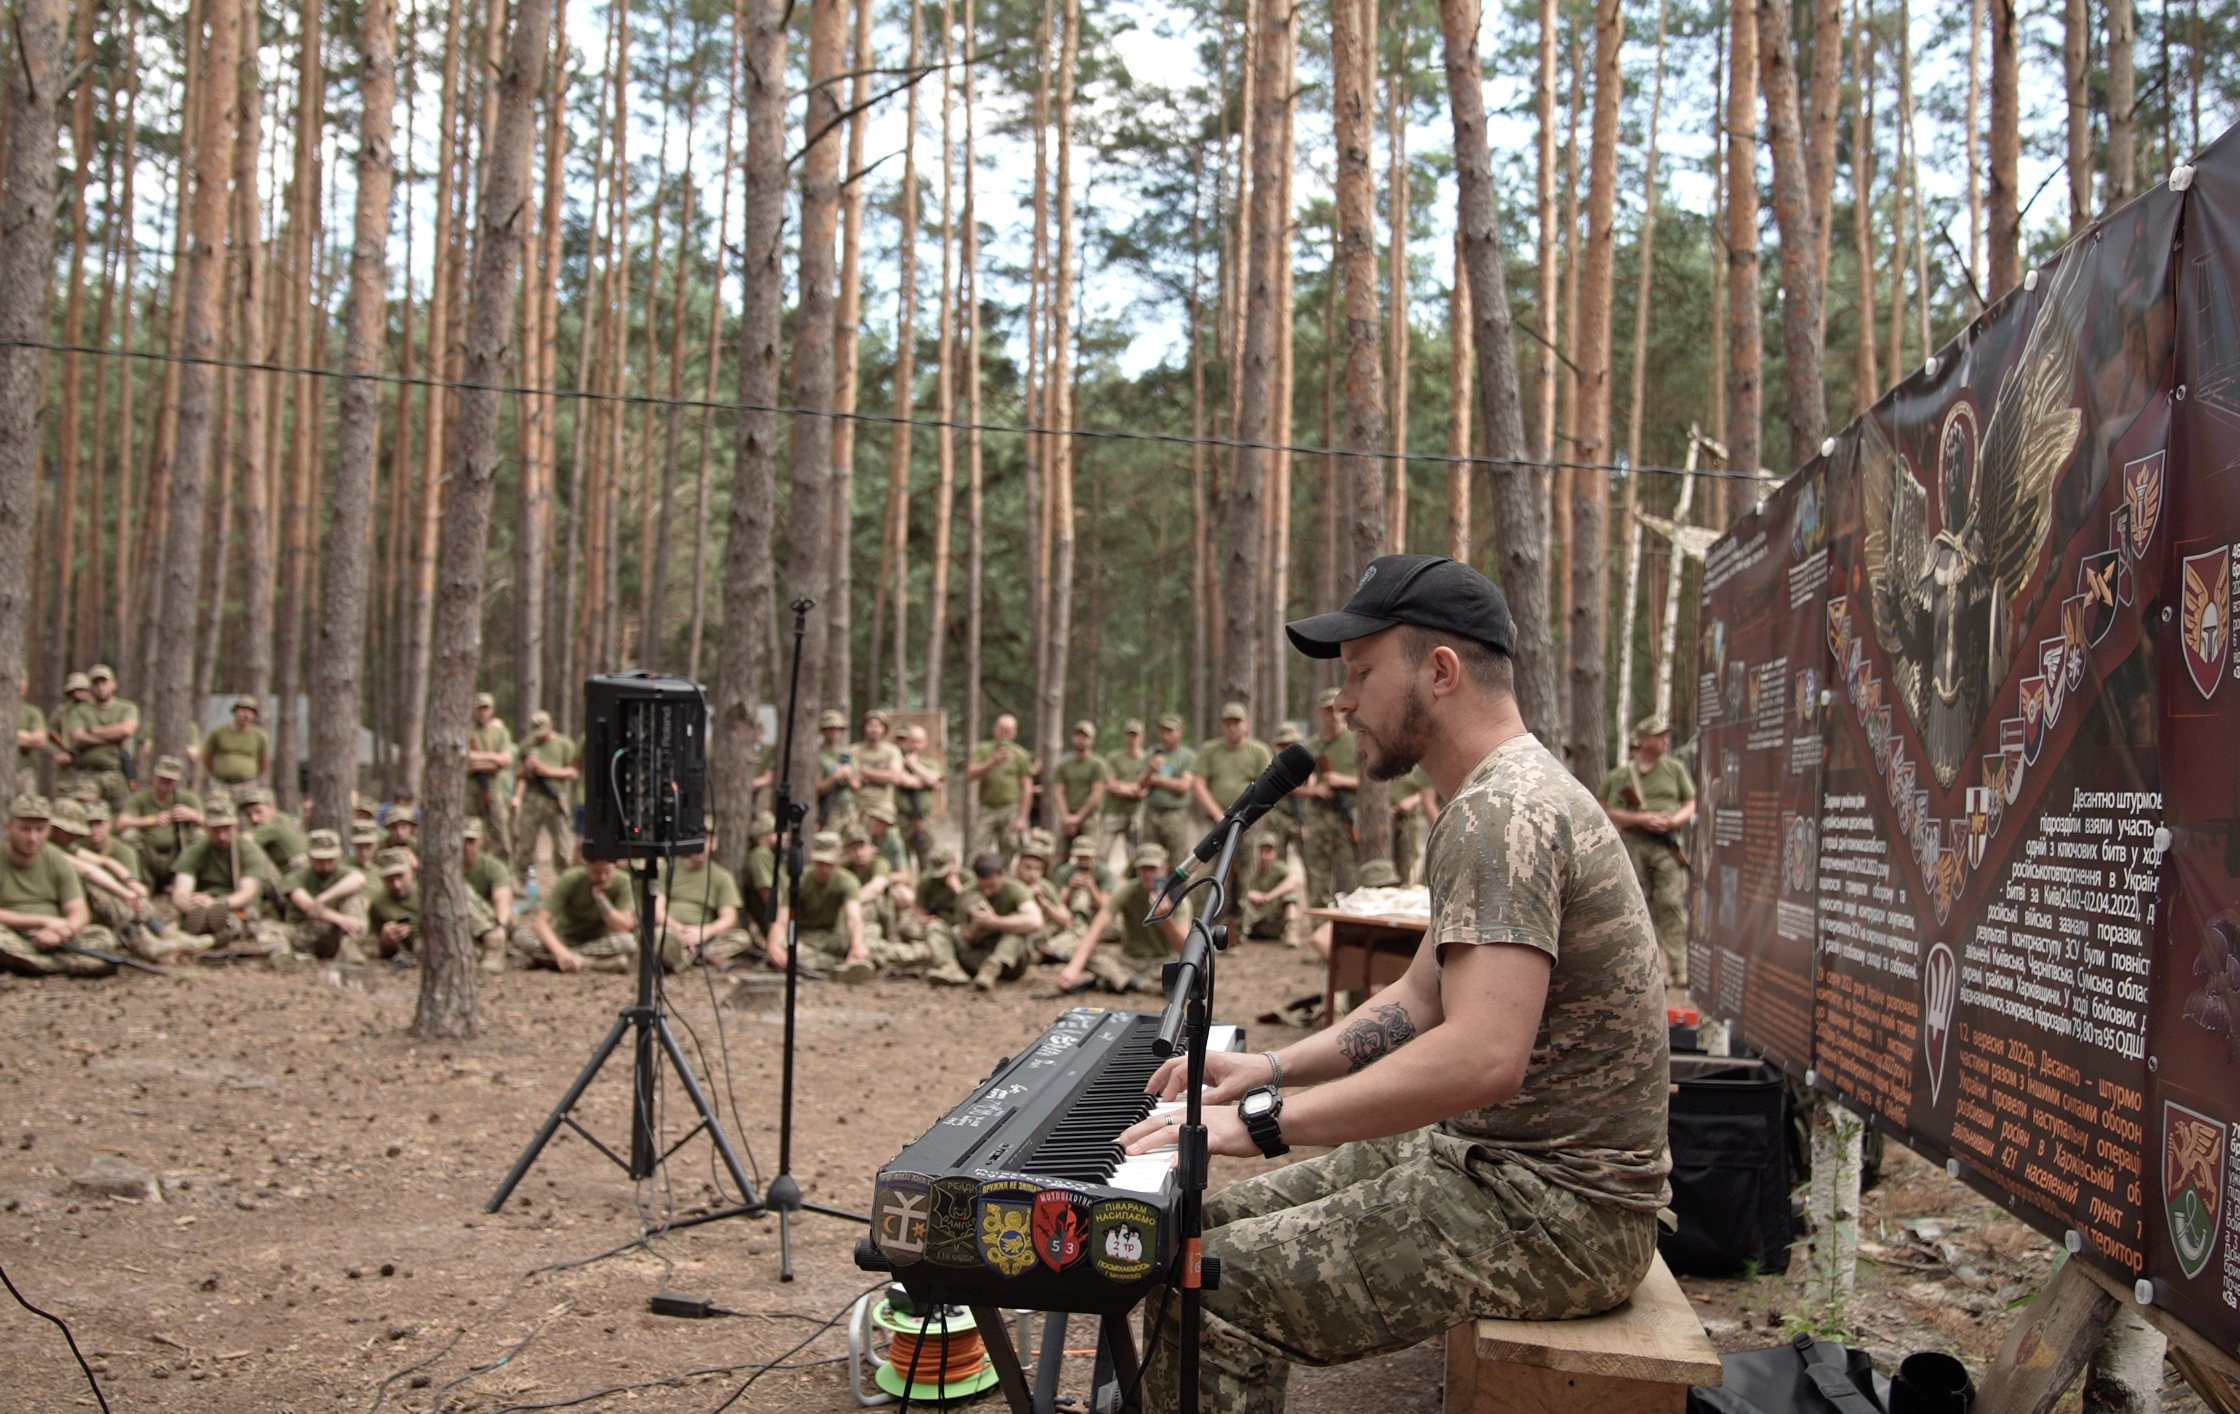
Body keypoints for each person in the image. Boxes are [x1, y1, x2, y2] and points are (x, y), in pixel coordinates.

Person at [1117, 553, 1670, 1414]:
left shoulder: (1502, 814)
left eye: (1364, 673)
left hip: (1561, 1217)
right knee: (1189, 1236)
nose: (1342, 703)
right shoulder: (1493, 799)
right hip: (1498, 1166)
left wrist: (1262, 1126)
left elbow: (1484, 1057)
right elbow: (1418, 1000)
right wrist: (1269, 1072)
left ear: (1440, 672)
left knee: (1204, 1288)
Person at [1599, 714, 1696, 989]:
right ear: (1643, 741)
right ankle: (1647, 968)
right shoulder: (1621, 776)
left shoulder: (1675, 769)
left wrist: (1673, 821)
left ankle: (1678, 968)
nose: (1665, 739)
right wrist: (1642, 819)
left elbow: (1690, 802)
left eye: (1666, 735)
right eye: (1659, 735)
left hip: (1666, 844)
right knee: (1637, 906)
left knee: (1671, 902)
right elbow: (1606, 808)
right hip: (1634, 845)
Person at [1050, 842, 1193, 995]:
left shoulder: (1178, 899)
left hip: (1161, 962)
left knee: (1190, 965)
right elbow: (1096, 928)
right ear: (1137, 870)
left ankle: (1126, 981)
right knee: (1090, 954)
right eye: (1144, 869)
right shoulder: (1128, 890)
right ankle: (1141, 984)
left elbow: (1185, 947)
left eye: (1153, 869)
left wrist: (1166, 919)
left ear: (1164, 869)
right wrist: (1074, 968)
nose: (1148, 875)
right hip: (1129, 961)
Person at [0, 796, 118, 977]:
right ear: (8, 828)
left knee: (102, 936)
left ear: (48, 830)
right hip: (14, 935)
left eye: (40, 830)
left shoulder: (57, 859)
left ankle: (42, 964)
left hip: (57, 937)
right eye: (25, 829)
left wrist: (63, 931)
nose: (32, 838)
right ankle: (66, 964)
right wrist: (41, 921)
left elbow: (79, 911)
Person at [168, 799, 287, 955]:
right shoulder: (196, 851)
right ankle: (200, 930)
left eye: (226, 829)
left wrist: (220, 903)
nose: (221, 836)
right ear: (207, 828)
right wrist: (189, 903)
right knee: (192, 916)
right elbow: (181, 890)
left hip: (235, 906)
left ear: (236, 826)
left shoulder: (248, 850)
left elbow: (247, 892)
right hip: (204, 904)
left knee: (231, 922)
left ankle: (205, 938)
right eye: (216, 830)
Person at [766, 831, 875, 983]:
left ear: (838, 859)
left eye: (829, 863)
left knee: (870, 939)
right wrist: (774, 946)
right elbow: (782, 920)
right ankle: (837, 965)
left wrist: (857, 945)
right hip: (804, 939)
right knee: (787, 949)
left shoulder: (847, 881)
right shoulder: (799, 881)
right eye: (820, 862)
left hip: (833, 938)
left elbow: (854, 917)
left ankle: (843, 961)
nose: (824, 868)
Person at [928, 850, 1044, 990]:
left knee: (1018, 926)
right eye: (983, 887)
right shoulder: (966, 892)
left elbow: (1036, 921)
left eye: (992, 886)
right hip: (977, 954)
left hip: (1009, 962)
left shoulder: (1016, 889)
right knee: (936, 926)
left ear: (1003, 874)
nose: (987, 892)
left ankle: (991, 969)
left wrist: (995, 922)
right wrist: (976, 929)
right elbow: (965, 933)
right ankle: (950, 968)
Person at [652, 822, 761, 971]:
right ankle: (693, 959)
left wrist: (704, 932)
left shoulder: (722, 877)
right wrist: (679, 929)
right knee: (659, 936)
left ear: (714, 843)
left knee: (741, 938)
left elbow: (729, 917)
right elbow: (657, 910)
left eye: (706, 839)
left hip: (704, 937)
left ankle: (688, 958)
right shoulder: (667, 870)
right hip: (671, 931)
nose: (701, 845)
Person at [46, 797, 153, 947]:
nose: (74, 837)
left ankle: (156, 930)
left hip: (71, 903)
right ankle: (138, 936)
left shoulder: (67, 846)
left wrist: (130, 881)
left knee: (112, 888)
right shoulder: (48, 850)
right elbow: (88, 871)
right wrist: (124, 893)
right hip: (57, 905)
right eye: (70, 832)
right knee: (93, 886)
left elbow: (105, 861)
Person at [1299, 688, 1360, 908]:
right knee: (1317, 871)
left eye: (1337, 710)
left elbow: (1373, 784)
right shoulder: (1310, 747)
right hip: (1318, 814)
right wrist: (1313, 791)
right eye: (1328, 710)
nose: (1333, 715)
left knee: (1351, 870)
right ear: (1320, 713)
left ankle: (1353, 921)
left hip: (1347, 815)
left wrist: (1341, 780)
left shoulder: (1357, 741)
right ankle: (1319, 927)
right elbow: (1292, 786)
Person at [525, 856, 639, 973]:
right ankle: (591, 964)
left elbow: (623, 926)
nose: (602, 877)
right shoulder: (570, 878)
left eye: (607, 872)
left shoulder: (623, 882)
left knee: (627, 942)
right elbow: (540, 923)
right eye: (596, 872)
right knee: (522, 936)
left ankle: (555, 961)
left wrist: (600, 897)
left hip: (598, 944)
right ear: (586, 866)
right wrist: (561, 952)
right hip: (564, 940)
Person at [281, 829, 370, 963]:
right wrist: (340, 919)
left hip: (335, 935)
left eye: (330, 860)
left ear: (338, 857)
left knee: (353, 898)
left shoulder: (341, 872)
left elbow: (359, 879)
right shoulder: (296, 877)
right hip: (306, 934)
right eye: (320, 861)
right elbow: (309, 907)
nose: (325, 866)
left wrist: (324, 897)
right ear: (310, 857)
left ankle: (351, 948)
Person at [57, 666, 138, 813]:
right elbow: (78, 737)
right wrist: (112, 737)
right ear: (90, 687)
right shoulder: (80, 711)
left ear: (113, 684)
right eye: (96, 683)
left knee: (122, 815)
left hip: (116, 773)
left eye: (104, 682)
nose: (101, 687)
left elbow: (126, 730)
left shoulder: (127, 708)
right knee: (83, 815)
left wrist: (94, 731)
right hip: (86, 775)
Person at [461, 818, 536, 974]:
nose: (466, 847)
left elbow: (502, 899)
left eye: (471, 841)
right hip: (469, 926)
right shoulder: (449, 871)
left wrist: (500, 927)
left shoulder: (493, 867)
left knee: (533, 945)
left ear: (480, 841)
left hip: (495, 919)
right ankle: (491, 946)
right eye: (462, 841)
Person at [511, 709, 580, 876]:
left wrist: (548, 771)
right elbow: (516, 774)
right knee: (525, 843)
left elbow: (573, 772)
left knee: (562, 844)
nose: (539, 736)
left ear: (550, 726)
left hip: (555, 797)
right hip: (532, 798)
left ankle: (564, 879)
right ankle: (522, 880)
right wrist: (526, 768)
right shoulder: (526, 746)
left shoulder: (564, 744)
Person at [118, 754, 204, 885]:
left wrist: (193, 816)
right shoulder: (140, 798)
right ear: (154, 777)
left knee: (199, 836)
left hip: (177, 855)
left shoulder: (187, 798)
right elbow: (121, 823)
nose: (165, 785)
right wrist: (151, 821)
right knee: (129, 836)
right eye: (162, 779)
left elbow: (211, 825)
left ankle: (186, 884)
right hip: (149, 855)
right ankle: (144, 883)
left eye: (170, 781)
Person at [965, 713, 1035, 861]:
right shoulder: (983, 750)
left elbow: (1027, 788)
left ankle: (1003, 878)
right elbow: (970, 775)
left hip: (1010, 808)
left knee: (1010, 847)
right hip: (987, 808)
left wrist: (1022, 817)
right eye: (1002, 731)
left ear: (1014, 733)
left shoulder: (1020, 755)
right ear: (994, 730)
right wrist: (992, 761)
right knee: (976, 847)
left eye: (1008, 732)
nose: (1004, 735)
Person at [1192, 702, 1272, 827]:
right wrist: (1217, 814)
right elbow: (1198, 785)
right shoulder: (1208, 750)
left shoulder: (1260, 752)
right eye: (1228, 723)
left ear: (1247, 725)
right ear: (1222, 726)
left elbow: (1267, 787)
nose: (1232, 727)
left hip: (1248, 820)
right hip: (1213, 821)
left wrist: (1248, 813)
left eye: (1237, 723)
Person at [1139, 714, 1197, 868]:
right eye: (1163, 731)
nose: (1166, 735)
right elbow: (1141, 784)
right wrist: (1151, 769)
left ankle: (1178, 891)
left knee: (1177, 856)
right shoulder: (1152, 753)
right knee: (1148, 854)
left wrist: (1156, 780)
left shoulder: (1187, 756)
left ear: (1180, 732)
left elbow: (1183, 786)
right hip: (1151, 812)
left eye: (1170, 731)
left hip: (1175, 814)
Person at [1049, 720, 1110, 862]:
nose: (1081, 739)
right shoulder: (1063, 765)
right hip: (1067, 814)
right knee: (1058, 856)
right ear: (1072, 737)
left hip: (1088, 816)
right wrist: (1066, 817)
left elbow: (1097, 793)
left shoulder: (1098, 764)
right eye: (1078, 735)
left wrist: (1078, 817)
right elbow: (1058, 791)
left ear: (1092, 740)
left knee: (1091, 854)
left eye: (1085, 736)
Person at [466, 692, 516, 859]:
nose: (482, 712)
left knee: (500, 831)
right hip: (470, 791)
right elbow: (466, 761)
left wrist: (479, 762)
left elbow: (505, 760)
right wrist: (494, 758)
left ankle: (504, 872)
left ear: (492, 710)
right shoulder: (466, 732)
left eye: (486, 708)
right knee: (469, 832)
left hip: (493, 789)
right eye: (479, 708)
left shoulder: (500, 733)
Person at [1098, 717, 1150, 862]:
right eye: (1129, 734)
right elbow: (1110, 784)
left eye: (1136, 735)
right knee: (1102, 852)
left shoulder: (1147, 758)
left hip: (1137, 812)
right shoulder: (1114, 757)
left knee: (1136, 855)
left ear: (1142, 736)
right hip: (1113, 811)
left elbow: (1147, 788)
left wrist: (1124, 788)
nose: (1132, 738)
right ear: (1124, 736)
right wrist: (1134, 790)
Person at [1237, 834, 1302, 943]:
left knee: (1291, 894)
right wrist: (1249, 893)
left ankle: (1291, 931)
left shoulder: (1279, 867)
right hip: (1252, 921)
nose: (1264, 856)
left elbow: (1295, 880)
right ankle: (1238, 933)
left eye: (1269, 852)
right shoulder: (1248, 869)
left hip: (1272, 920)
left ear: (1275, 853)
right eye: (1261, 851)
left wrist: (1269, 896)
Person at [848, 708, 908, 822]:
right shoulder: (852, 751)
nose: (874, 729)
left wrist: (865, 772)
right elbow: (853, 781)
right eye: (870, 725)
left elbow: (895, 777)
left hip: (883, 807)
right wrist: (882, 776)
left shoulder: (892, 751)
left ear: (884, 729)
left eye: (878, 726)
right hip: (857, 806)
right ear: (864, 727)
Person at [200, 696, 270, 792]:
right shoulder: (218, 732)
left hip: (247, 784)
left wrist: (248, 772)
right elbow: (207, 756)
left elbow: (264, 762)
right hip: (220, 783)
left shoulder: (260, 736)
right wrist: (220, 771)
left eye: (250, 712)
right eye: (242, 710)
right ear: (235, 711)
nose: (246, 715)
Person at [896, 724, 942, 865]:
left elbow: (935, 780)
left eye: (919, 741)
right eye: (912, 741)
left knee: (927, 859)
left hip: (925, 819)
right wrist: (925, 781)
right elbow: (902, 780)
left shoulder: (931, 763)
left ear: (925, 743)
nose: (915, 745)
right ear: (906, 742)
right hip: (902, 819)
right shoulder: (897, 762)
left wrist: (914, 766)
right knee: (901, 859)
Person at [365, 849, 422, 962]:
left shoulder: (428, 893)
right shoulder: (378, 904)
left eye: (400, 876)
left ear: (411, 870)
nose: (396, 884)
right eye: (389, 879)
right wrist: (385, 940)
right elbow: (374, 949)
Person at [1390, 762, 1442, 883]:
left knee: (1417, 859)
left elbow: (1428, 797)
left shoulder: (1422, 765)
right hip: (1398, 820)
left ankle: (1414, 887)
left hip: (1416, 820)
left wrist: (1443, 832)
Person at [239, 785, 310, 873]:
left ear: (272, 807)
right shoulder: (285, 818)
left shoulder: (273, 827)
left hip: (294, 876)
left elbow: (243, 840)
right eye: (248, 815)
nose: (254, 819)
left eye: (258, 812)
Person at [814, 710, 862, 833]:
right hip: (829, 809)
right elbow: (818, 788)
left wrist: (847, 777)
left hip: (849, 807)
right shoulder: (818, 756)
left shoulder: (846, 755)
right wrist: (835, 776)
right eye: (831, 728)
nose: (835, 732)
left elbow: (857, 786)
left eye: (838, 729)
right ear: (823, 730)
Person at [14, 672, 48, 798]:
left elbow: (40, 740)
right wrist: (24, 735)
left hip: (23, 774)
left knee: (27, 813)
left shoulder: (32, 712)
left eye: (23, 679)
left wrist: (12, 736)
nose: (20, 683)